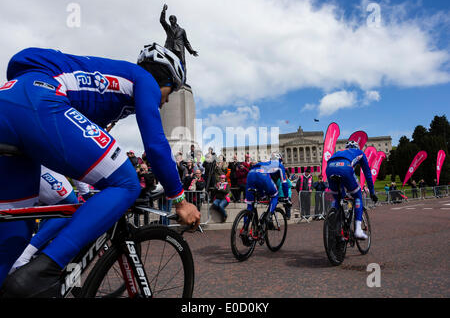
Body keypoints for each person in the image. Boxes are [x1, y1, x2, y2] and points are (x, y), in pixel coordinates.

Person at [0, 43, 200, 297]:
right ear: (164, 77)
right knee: (126, 183)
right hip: (40, 98)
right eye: (171, 90)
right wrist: (179, 198)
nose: (167, 100)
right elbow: (156, 145)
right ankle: (43, 272)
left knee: (14, 234)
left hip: (9, 101)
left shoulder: (104, 99)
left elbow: (79, 154)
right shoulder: (145, 79)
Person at [9, 167, 79, 274]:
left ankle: (36, 253)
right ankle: (24, 255)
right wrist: (86, 192)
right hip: (37, 164)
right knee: (70, 207)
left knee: (50, 212)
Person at [325, 140, 378, 240]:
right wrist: (372, 192)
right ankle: (358, 230)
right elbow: (367, 174)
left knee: (338, 199)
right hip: (345, 167)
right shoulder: (360, 152)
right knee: (357, 196)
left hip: (329, 167)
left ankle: (336, 226)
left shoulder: (340, 151)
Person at [245, 153, 292, 217]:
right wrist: (286, 198)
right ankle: (269, 216)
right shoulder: (279, 165)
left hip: (250, 174)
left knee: (250, 205)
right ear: (280, 159)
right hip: (262, 174)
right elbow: (284, 183)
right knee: (275, 195)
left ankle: (245, 226)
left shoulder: (265, 162)